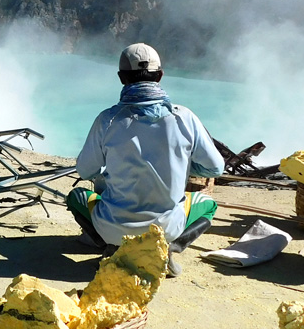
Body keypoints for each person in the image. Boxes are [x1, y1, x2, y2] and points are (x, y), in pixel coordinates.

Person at [66, 43, 225, 274]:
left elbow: (84, 171)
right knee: (208, 205)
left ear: (122, 78)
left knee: (76, 196)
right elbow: (216, 168)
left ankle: (112, 248)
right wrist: (183, 166)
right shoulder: (184, 118)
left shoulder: (107, 120)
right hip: (166, 228)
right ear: (160, 75)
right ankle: (168, 250)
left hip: (113, 228)